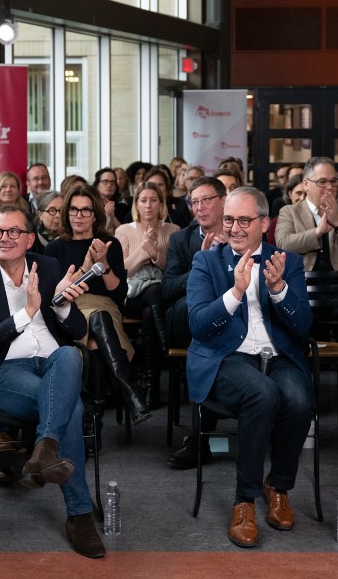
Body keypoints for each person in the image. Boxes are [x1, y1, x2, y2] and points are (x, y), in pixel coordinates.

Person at [0, 206, 105, 558]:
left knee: (71, 355)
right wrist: (27, 312)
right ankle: (79, 513)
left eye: (12, 232)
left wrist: (66, 307)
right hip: (3, 371)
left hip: (55, 364)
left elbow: (78, 331)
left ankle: (44, 451)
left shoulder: (48, 268)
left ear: (30, 239)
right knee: (71, 404)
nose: (3, 238)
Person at [186, 187, 314, 549]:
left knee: (299, 396)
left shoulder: (286, 261)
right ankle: (244, 501)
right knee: (262, 392)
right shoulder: (207, 262)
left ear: (265, 223)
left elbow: (303, 325)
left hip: (277, 356)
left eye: (244, 220)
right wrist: (235, 294)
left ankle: (279, 486)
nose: (235, 228)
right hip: (226, 358)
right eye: (229, 220)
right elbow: (197, 326)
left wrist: (278, 290)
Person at [44, 186, 150, 425]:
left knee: (98, 322)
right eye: (73, 210)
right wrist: (86, 267)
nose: (78, 216)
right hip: (69, 309)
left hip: (106, 307)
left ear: (95, 214)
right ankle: (130, 392)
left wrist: (103, 263)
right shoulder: (55, 248)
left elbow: (119, 293)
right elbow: (56, 296)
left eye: (85, 210)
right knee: (94, 338)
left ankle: (93, 421)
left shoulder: (109, 243)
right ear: (66, 213)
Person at [275, 156, 338, 410]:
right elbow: (283, 244)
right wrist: (318, 232)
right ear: (306, 184)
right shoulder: (289, 211)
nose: (329, 187)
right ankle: (297, 384)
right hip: (302, 291)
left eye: (334, 181)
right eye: (322, 182)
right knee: (286, 320)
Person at [164, 176, 227, 469]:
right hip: (186, 321)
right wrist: (201, 264)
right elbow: (167, 288)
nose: (199, 208)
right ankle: (199, 438)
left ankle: (199, 439)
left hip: (228, 323)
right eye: (194, 202)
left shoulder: (241, 232)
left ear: (223, 201)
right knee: (202, 321)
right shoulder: (181, 239)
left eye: (206, 200)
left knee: (210, 347)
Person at [115, 182, 180, 408]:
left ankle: (151, 385)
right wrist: (144, 251)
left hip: (158, 298)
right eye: (143, 200)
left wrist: (155, 253)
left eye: (154, 200)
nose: (149, 205)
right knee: (153, 292)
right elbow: (123, 271)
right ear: (136, 204)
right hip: (131, 294)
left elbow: (172, 269)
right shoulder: (123, 230)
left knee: (150, 311)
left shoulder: (173, 230)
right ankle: (166, 346)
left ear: (161, 204)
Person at [267, 174, 306, 245]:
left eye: (306, 194)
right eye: (298, 193)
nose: (302, 198)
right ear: (290, 194)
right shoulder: (277, 222)